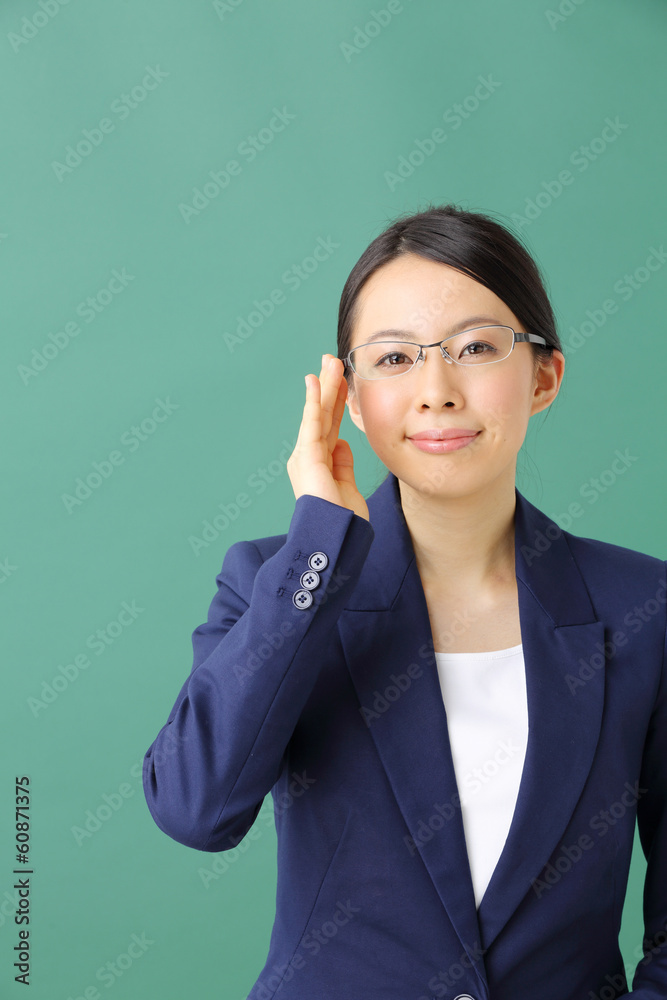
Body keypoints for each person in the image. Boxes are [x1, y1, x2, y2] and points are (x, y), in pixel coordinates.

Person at [142, 204, 667, 1000]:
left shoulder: (643, 608)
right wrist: (317, 545)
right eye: (393, 359)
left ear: (543, 377)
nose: (436, 392)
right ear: (350, 400)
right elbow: (193, 809)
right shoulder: (274, 584)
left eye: (477, 348)